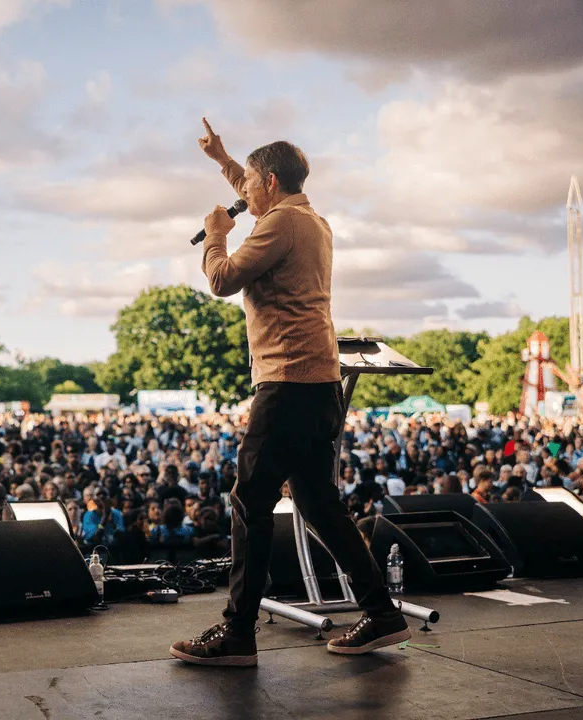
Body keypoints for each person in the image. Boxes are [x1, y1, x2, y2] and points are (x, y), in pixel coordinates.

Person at [171, 118, 407, 668]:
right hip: (317, 384)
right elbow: (253, 190)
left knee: (249, 501)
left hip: (286, 382)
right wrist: (224, 159)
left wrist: (215, 236)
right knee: (318, 502)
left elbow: (222, 279)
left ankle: (237, 634)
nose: (242, 193)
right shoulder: (308, 217)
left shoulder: (277, 225)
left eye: (249, 184)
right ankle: (382, 611)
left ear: (271, 182)